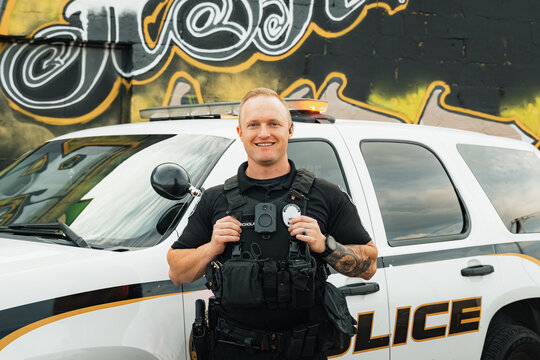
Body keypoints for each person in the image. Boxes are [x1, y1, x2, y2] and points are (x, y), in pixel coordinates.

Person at [167, 88, 377, 360]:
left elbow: (369, 266)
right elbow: (176, 272)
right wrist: (211, 247)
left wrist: (325, 245)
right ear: (241, 132)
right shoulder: (214, 200)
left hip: (304, 351)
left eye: (274, 124)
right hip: (233, 351)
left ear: (290, 130)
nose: (264, 133)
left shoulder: (325, 194)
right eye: (253, 125)